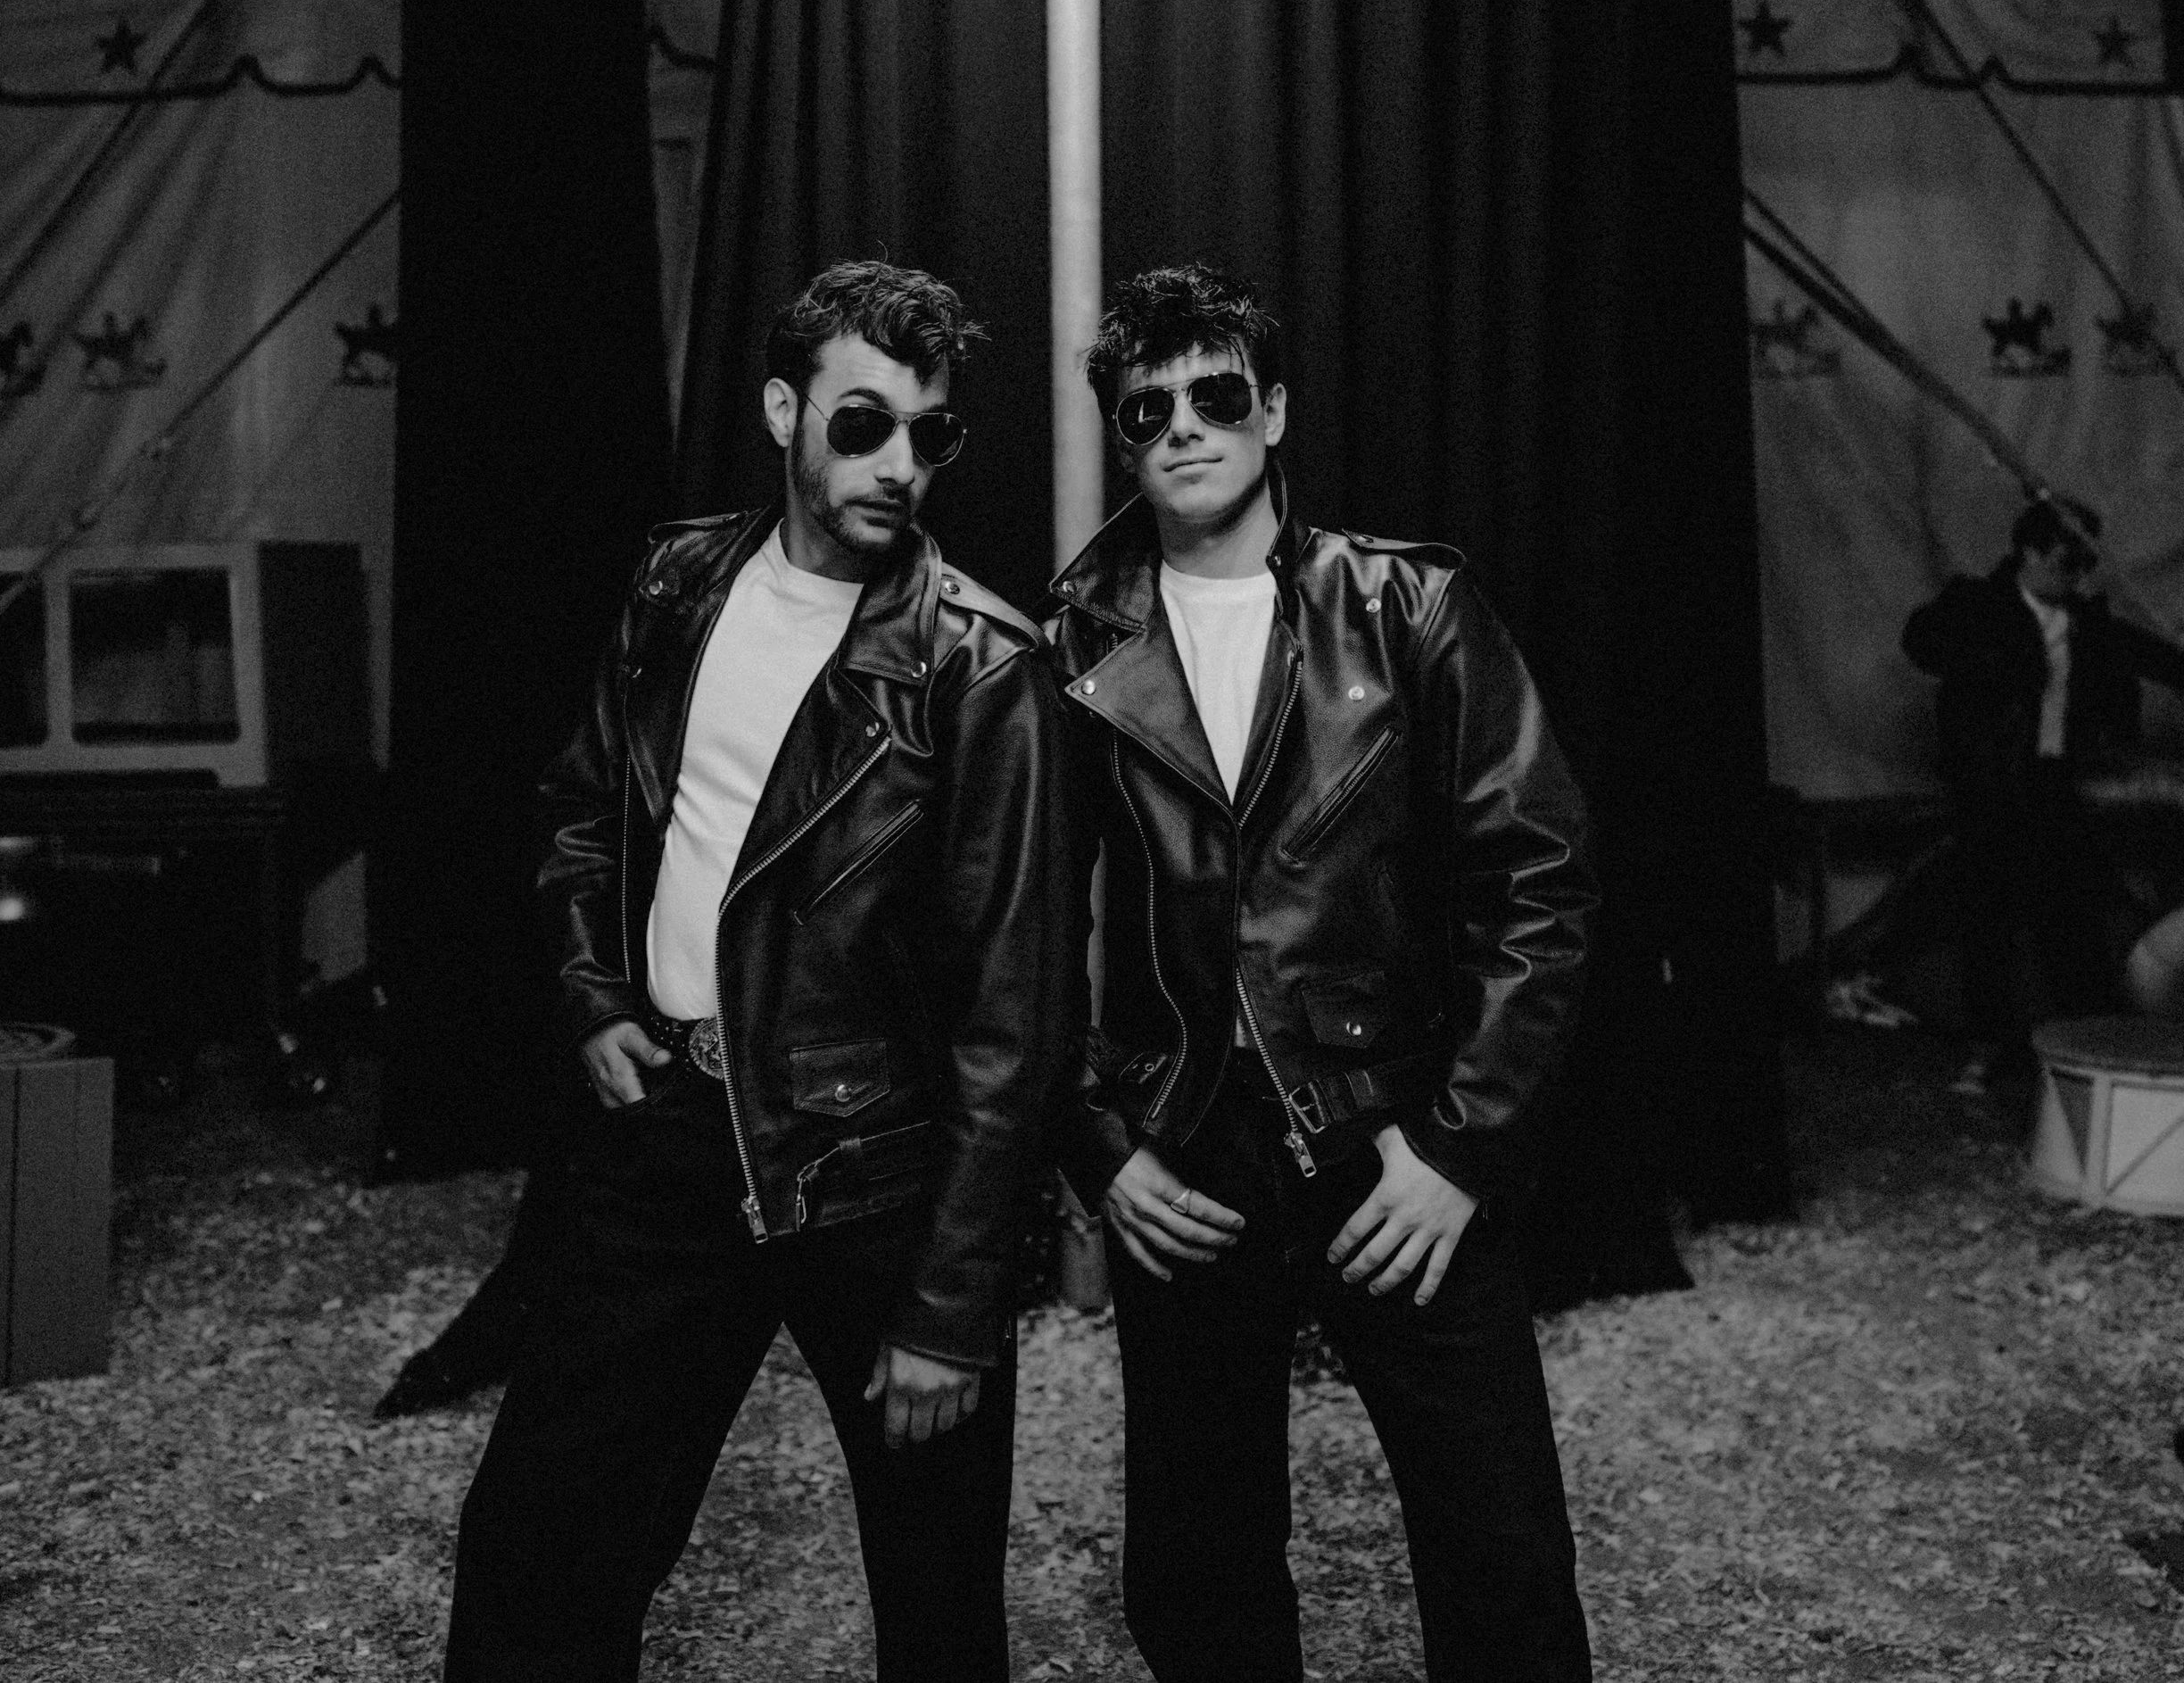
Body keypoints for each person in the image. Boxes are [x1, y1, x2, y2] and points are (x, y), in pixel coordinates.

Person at [444, 261, 1075, 1682]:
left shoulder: (980, 664)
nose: (900, 464)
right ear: (786, 412)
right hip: (668, 1140)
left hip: (877, 1172)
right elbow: (583, 809)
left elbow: (1014, 1011)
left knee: (938, 1605)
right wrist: (595, 997)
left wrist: (953, 1301)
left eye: (929, 433)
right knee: (539, 1553)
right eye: (863, 424)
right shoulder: (679, 583)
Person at [1046, 261, 1597, 1683]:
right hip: (1191, 1154)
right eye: (1147, 407)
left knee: (1501, 1551)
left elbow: (1537, 883)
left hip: (1394, 1132)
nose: (1184, 426)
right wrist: (1101, 1148)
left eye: (1217, 394)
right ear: (1121, 434)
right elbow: (1017, 932)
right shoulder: (1075, 640)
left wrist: (1460, 1147)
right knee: (1200, 1564)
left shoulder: (1408, 604)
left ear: (1275, 411)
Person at [1902, 495, 2184, 1093]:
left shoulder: (2089, 623)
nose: (2078, 575)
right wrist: (1976, 644)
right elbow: (1921, 643)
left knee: (2071, 920)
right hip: (1992, 790)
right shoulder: (1977, 606)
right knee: (1988, 922)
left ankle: (2091, 1053)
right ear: (2030, 552)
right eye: (2068, 560)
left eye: (2087, 563)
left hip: (2058, 788)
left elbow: (2169, 664)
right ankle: (1988, 1051)